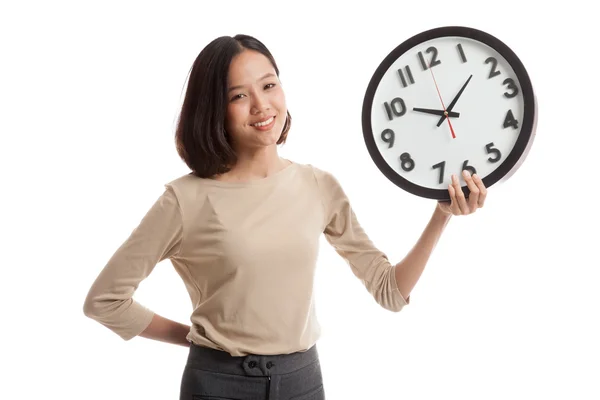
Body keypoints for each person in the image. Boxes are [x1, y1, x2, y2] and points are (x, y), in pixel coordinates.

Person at [83, 34, 487, 400]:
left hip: (303, 382)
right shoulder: (185, 199)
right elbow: (105, 301)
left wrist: (441, 215)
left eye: (269, 85)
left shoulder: (317, 185)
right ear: (214, 109)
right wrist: (193, 339)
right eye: (238, 95)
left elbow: (390, 291)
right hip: (217, 385)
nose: (262, 105)